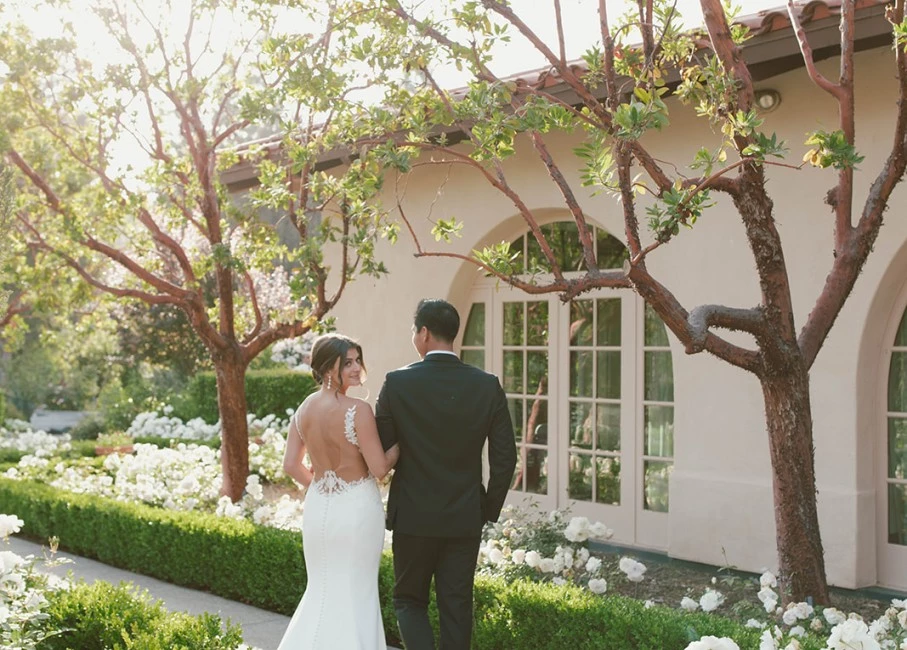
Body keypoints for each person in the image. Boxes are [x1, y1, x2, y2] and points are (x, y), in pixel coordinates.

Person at [376, 299, 517, 650]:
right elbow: (505, 459)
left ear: (423, 333)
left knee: (409, 601)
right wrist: (486, 508)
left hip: (412, 515)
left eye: (414, 330)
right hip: (464, 516)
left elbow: (384, 450)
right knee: (456, 606)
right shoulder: (487, 385)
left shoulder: (396, 383)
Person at [278, 333, 400, 650]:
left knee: (321, 589)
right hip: (357, 508)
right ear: (329, 367)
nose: (358, 368)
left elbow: (291, 465)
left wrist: (323, 486)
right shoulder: (358, 410)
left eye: (358, 360)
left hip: (319, 507)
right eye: (348, 362)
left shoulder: (303, 409)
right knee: (357, 591)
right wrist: (402, 443)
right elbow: (378, 468)